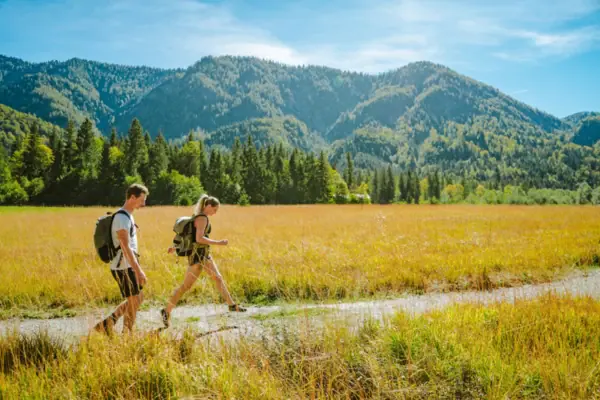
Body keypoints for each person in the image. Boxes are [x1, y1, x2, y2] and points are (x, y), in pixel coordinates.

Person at [160, 194, 245, 328]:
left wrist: (175, 247)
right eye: (215, 209)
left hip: (203, 254)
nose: (215, 213)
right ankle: (166, 310)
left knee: (217, 278)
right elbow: (199, 239)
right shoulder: (202, 218)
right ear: (208, 206)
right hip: (199, 256)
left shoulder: (197, 216)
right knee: (186, 286)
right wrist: (219, 242)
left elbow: (190, 237)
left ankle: (231, 305)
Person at [93, 183, 149, 335]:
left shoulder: (127, 216)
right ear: (132, 197)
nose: (143, 204)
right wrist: (138, 270)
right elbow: (125, 247)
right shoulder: (122, 218)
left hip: (127, 265)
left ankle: (107, 324)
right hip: (123, 267)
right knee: (134, 301)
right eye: (141, 200)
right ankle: (127, 334)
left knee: (138, 298)